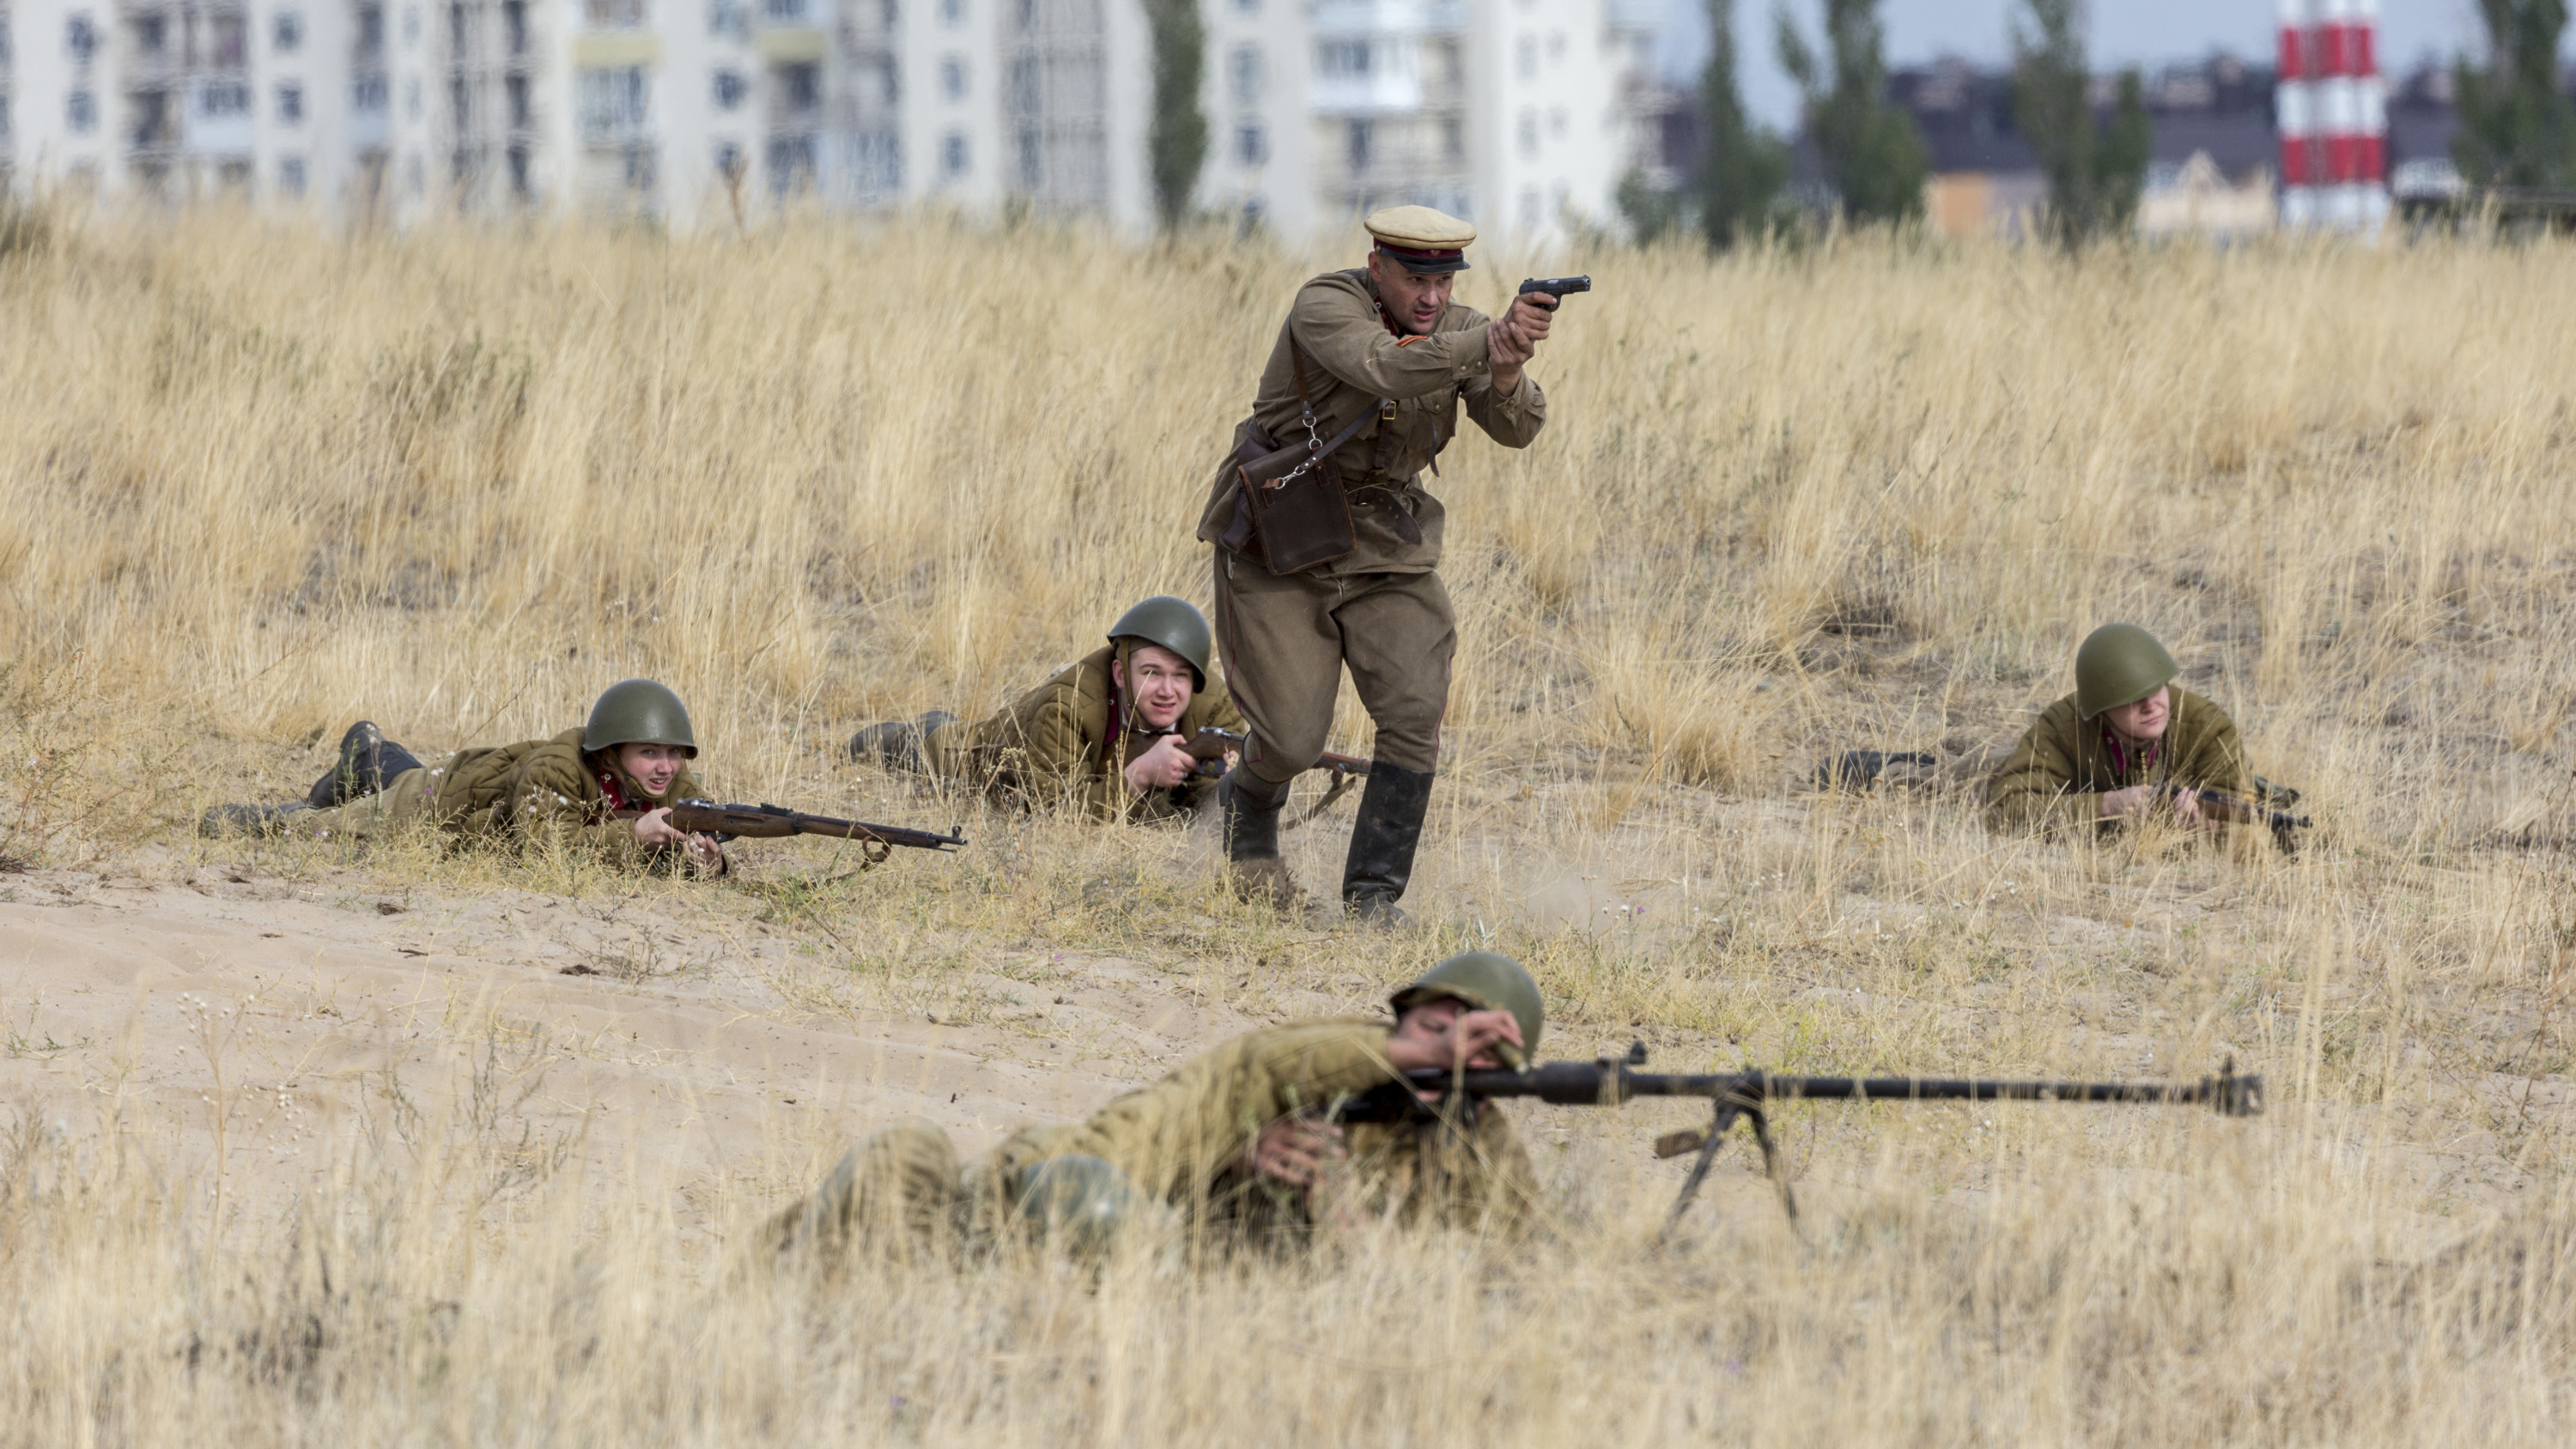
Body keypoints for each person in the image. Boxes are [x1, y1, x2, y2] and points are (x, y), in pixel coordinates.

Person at [1195, 206, 1557, 925]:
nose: (1432, 297)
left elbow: (1516, 429)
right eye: (1416, 279)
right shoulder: (1324, 305)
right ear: (1377, 267)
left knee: (1416, 711)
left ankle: (1373, 895)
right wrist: (1485, 343)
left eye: (1445, 281)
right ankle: (1251, 810)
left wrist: (1508, 368)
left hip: (1387, 542)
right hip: (1283, 537)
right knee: (1293, 740)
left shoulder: (1464, 329)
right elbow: (1386, 368)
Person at [759, 950, 1546, 1271]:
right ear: (1395, 1030)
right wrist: (1236, 1158)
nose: (1443, 1056)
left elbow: (1498, 1284)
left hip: (1155, 1290)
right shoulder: (1303, 1079)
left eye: (1469, 1050)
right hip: (1026, 1212)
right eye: (1429, 1032)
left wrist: (1345, 1223)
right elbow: (1243, 1074)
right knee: (900, 1160)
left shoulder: (1480, 1158)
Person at [197, 678, 728, 873]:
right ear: (610, 753)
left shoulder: (676, 787)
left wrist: (708, 861)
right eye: (649, 752)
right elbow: (546, 852)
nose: (665, 767)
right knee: (318, 831)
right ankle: (274, 809)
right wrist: (635, 833)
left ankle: (371, 753)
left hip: (460, 787)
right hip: (436, 806)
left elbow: (689, 843)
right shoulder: (558, 768)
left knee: (387, 771)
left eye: (674, 754)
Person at [847, 597, 1246, 823]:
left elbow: (1212, 809)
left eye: (1180, 676)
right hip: (993, 753)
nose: (1167, 691)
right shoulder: (1069, 704)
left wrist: (1220, 785)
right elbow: (1053, 816)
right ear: (1121, 674)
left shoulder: (1216, 709)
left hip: (1092, 766)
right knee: (918, 748)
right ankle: (917, 731)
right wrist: (1139, 776)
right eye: (1152, 672)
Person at [1986, 623, 2253, 835]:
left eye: (2158, 688)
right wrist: (2106, 805)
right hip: (1989, 770)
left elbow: (2238, 808)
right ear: (2102, 708)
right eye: (2133, 698)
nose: (2152, 706)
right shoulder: (2062, 727)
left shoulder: (2208, 726)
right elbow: (2007, 808)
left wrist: (2207, 827)